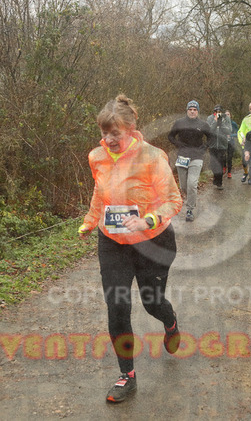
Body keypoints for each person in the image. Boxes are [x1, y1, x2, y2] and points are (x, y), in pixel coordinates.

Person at [78, 94, 183, 403]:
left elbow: (173, 200)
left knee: (152, 303)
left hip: (153, 242)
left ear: (131, 127)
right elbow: (100, 192)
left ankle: (170, 323)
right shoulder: (96, 156)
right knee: (117, 306)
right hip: (113, 242)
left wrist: (147, 220)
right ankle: (127, 376)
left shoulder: (152, 156)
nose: (109, 139)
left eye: (115, 133)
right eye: (104, 133)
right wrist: (90, 220)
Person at [168, 100, 215, 222]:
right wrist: (178, 144)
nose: (192, 112)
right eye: (190, 109)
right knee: (184, 186)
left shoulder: (203, 124)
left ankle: (189, 210)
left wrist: (204, 147)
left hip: (196, 157)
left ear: (197, 111)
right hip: (182, 157)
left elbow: (211, 137)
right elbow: (170, 136)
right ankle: (191, 199)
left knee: (192, 184)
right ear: (187, 110)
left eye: (195, 110)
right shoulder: (179, 123)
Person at [207, 104, 232, 190]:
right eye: (216, 111)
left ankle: (219, 182)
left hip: (222, 145)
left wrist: (221, 124)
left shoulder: (226, 118)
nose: (218, 113)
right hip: (212, 145)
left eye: (220, 112)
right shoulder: (210, 118)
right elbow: (209, 131)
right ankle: (216, 177)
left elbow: (229, 131)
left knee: (220, 164)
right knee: (213, 164)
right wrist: (215, 122)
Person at [225, 109, 239, 179]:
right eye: (225, 115)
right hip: (223, 143)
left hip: (231, 143)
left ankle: (229, 172)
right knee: (223, 157)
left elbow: (238, 133)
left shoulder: (233, 124)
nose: (227, 116)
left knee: (230, 158)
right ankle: (224, 167)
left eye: (228, 114)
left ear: (230, 116)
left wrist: (231, 135)